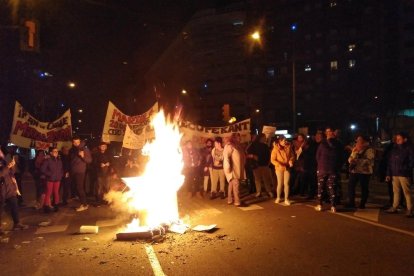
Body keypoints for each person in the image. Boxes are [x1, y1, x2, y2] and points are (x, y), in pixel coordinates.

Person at [314, 127, 344, 213]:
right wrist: (337, 167)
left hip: (322, 168)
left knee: (321, 187)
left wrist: (320, 165)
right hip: (333, 169)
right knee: (332, 187)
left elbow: (317, 156)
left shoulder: (322, 144)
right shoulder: (338, 144)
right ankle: (333, 206)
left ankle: (319, 205)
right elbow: (341, 157)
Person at [385, 132, 414, 217]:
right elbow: (390, 162)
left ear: (405, 139)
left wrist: (406, 168)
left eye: (399, 139)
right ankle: (394, 207)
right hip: (394, 173)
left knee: (407, 192)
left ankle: (409, 209)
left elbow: (412, 161)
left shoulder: (409, 148)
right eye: (396, 139)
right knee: (396, 191)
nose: (397, 140)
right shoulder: (394, 149)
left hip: (404, 174)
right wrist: (388, 174)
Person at [0, 149, 28, 233]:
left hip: (9, 187)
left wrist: (12, 166)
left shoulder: (3, 160)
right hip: (1, 189)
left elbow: (11, 172)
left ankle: (17, 223)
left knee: (14, 205)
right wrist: (7, 167)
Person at [346, 135, 375, 209]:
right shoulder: (355, 148)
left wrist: (356, 161)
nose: (357, 141)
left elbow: (370, 161)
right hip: (354, 171)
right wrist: (351, 160)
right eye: (357, 140)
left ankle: (362, 203)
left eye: (359, 140)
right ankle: (351, 202)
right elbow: (350, 157)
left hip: (364, 172)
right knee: (351, 186)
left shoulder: (369, 149)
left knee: (364, 188)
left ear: (364, 141)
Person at [247, 133, 274, 198]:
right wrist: (253, 156)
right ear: (260, 138)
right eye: (264, 137)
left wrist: (269, 162)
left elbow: (269, 154)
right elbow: (248, 152)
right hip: (257, 164)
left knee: (265, 179)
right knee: (258, 179)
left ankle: (268, 191)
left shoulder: (265, 145)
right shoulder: (253, 145)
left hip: (264, 164)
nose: (265, 138)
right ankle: (259, 191)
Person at [69, 136, 92, 212]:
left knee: (80, 188)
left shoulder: (84, 149)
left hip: (80, 171)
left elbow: (89, 160)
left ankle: (84, 204)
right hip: (73, 171)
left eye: (77, 142)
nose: (76, 144)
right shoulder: (72, 150)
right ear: (72, 142)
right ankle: (83, 203)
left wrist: (83, 156)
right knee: (76, 188)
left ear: (80, 141)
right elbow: (71, 161)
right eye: (74, 142)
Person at [271, 135, 295, 205]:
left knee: (286, 183)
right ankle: (278, 197)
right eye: (284, 140)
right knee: (280, 183)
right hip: (279, 168)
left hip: (287, 167)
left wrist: (291, 161)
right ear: (280, 141)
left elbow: (292, 156)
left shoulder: (289, 147)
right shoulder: (275, 148)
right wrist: (278, 164)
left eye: (286, 140)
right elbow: (272, 159)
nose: (285, 141)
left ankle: (286, 199)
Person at [223, 133, 246, 206]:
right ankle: (237, 201)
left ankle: (230, 199)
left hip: (237, 168)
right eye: (238, 138)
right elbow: (226, 157)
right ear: (234, 138)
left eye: (240, 138)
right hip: (233, 169)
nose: (240, 139)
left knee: (231, 184)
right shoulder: (230, 146)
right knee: (236, 184)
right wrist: (227, 167)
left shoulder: (238, 146)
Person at [40, 147, 64, 212]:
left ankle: (56, 205)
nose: (56, 153)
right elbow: (42, 169)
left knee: (56, 192)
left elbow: (61, 169)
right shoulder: (48, 160)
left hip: (57, 179)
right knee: (48, 192)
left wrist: (60, 174)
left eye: (57, 151)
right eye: (54, 151)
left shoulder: (59, 160)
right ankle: (46, 206)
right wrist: (49, 174)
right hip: (50, 179)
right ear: (51, 153)